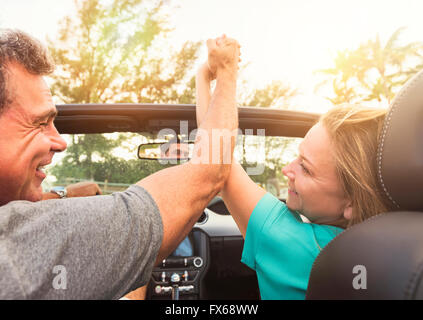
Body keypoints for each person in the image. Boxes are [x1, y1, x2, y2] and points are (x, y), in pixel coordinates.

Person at [0, 28, 240, 299]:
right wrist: (226, 71)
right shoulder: (22, 243)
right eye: (40, 123)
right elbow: (207, 172)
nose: (60, 142)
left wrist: (60, 194)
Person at [196, 52, 397, 299]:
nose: (287, 170)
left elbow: (217, 161)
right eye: (297, 157)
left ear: (352, 203)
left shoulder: (296, 245)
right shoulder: (403, 250)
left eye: (306, 168)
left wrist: (210, 75)